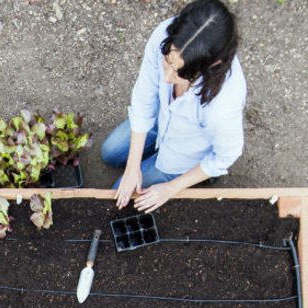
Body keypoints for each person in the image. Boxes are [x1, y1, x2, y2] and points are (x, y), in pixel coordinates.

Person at [101, 0, 246, 213]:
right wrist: (132, 167)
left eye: (180, 73)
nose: (167, 78)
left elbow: (225, 156)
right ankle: (145, 158)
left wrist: (171, 188)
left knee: (120, 195)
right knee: (110, 153)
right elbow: (145, 96)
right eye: (167, 62)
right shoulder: (166, 36)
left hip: (185, 150)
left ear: (212, 65)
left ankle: (199, 179)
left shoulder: (222, 106)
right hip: (162, 118)